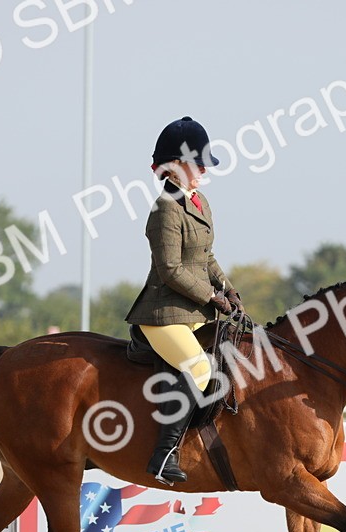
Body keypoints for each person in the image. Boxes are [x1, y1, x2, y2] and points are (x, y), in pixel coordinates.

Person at [125, 116, 241, 485]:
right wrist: (211, 295)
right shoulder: (165, 210)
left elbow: (206, 257)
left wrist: (228, 286)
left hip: (194, 311)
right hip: (163, 313)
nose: (205, 170)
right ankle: (163, 455)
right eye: (198, 163)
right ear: (176, 166)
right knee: (201, 370)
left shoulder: (199, 202)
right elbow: (171, 269)